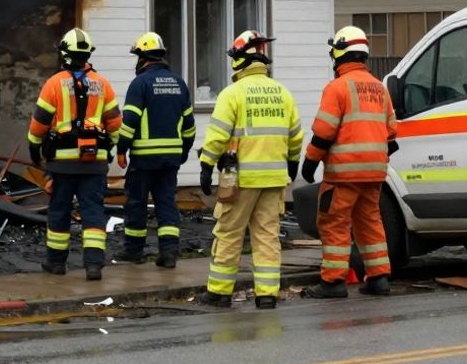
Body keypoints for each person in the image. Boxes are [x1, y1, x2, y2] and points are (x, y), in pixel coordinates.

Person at [197, 30, 302, 310]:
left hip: (239, 178)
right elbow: (295, 135)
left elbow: (218, 135)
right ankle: (267, 295)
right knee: (267, 236)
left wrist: (206, 165)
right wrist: (293, 163)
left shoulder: (233, 93)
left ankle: (219, 293)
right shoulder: (283, 93)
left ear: (240, 59)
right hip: (274, 179)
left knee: (229, 232)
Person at [301, 25, 399, 298]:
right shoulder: (379, 87)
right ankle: (379, 278)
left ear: (340, 52)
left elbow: (324, 132)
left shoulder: (337, 87)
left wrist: (309, 163)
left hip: (343, 175)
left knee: (334, 224)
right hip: (375, 173)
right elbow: (392, 136)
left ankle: (333, 282)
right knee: (370, 223)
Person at [28, 27, 122, 281]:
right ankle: (94, 266)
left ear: (65, 54)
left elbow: (39, 124)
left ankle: (56, 263)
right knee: (93, 211)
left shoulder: (54, 84)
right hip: (94, 163)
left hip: (62, 165)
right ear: (87, 54)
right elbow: (114, 124)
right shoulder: (102, 84)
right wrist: (112, 152)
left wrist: (34, 149)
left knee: (59, 211)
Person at [114, 31, 195, 268]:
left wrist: (121, 149)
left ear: (142, 57)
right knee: (166, 203)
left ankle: (134, 251)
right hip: (170, 159)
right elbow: (189, 126)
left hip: (143, 159)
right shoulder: (179, 84)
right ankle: (169, 254)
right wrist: (183, 152)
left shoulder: (140, 84)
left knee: (136, 203)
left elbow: (129, 121)